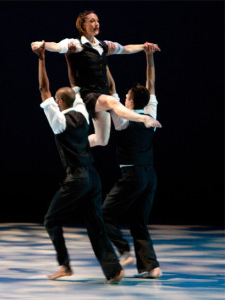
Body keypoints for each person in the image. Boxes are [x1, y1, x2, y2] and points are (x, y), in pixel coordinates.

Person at [32, 42, 124, 284]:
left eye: (57, 101)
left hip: (77, 179)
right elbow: (74, 87)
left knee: (51, 220)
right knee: (95, 225)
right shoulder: (83, 111)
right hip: (93, 177)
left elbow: (44, 88)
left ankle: (65, 266)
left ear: (60, 103)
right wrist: (67, 58)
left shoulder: (58, 121)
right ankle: (113, 270)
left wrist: (41, 58)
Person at [31, 10, 161, 148]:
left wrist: (145, 47)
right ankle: (144, 119)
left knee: (102, 140)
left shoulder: (104, 45)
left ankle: (73, 145)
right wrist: (42, 44)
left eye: (97, 21)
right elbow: (57, 46)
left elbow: (125, 49)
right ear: (83, 25)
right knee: (112, 102)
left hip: (101, 94)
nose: (96, 24)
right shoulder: (76, 44)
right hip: (87, 94)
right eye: (92, 21)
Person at [101, 48, 162, 278]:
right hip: (150, 176)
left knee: (103, 215)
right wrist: (149, 56)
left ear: (131, 100)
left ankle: (123, 249)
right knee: (139, 223)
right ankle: (151, 267)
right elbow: (151, 82)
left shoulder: (123, 119)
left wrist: (103, 59)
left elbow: (111, 88)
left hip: (133, 177)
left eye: (126, 97)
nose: (123, 99)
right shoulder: (150, 112)